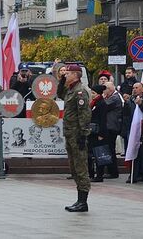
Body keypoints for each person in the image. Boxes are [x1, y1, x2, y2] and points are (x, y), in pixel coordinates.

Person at [60, 63, 92, 212]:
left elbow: (84, 114)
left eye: (68, 73)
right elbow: (60, 94)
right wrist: (61, 81)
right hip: (69, 134)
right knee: (74, 168)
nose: (66, 74)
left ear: (76, 75)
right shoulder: (71, 90)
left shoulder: (80, 92)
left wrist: (83, 134)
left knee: (81, 168)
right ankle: (79, 200)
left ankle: (83, 202)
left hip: (77, 134)